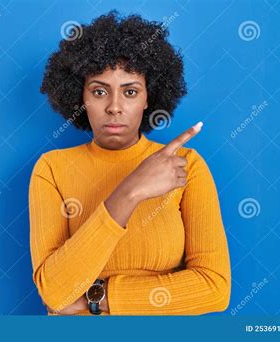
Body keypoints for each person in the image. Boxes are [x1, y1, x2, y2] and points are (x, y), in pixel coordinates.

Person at [29, 10, 231, 315]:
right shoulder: (52, 169)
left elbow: (214, 289)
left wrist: (98, 298)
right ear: (80, 97)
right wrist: (132, 191)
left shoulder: (185, 165)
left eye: (131, 91)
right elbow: (56, 293)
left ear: (149, 97)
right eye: (99, 91)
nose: (114, 107)